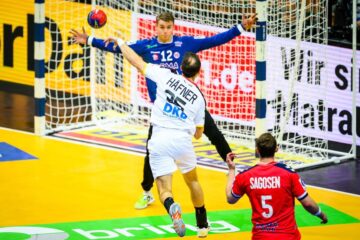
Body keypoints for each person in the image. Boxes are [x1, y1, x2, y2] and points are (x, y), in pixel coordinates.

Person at [70, 11, 257, 210]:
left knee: (215, 133)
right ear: (155, 27)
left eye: (169, 28)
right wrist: (88, 39)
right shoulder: (146, 46)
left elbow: (215, 40)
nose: (165, 31)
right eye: (162, 27)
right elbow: (118, 48)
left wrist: (241, 27)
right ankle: (147, 192)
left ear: (173, 27)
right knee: (151, 152)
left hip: (187, 106)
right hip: (163, 112)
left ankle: (232, 168)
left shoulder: (186, 43)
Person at [104, 35, 209, 237]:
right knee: (193, 182)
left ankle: (171, 206)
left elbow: (137, 62)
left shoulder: (166, 76)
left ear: (181, 67)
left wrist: (120, 42)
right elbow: (198, 134)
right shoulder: (199, 98)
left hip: (159, 139)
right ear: (198, 73)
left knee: (163, 188)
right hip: (182, 142)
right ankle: (202, 225)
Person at [225, 133, 328, 240]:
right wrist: (321, 214)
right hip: (288, 236)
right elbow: (308, 204)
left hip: (261, 236)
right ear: (276, 148)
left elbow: (230, 198)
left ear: (257, 150)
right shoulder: (289, 173)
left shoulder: (245, 176)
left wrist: (232, 170)